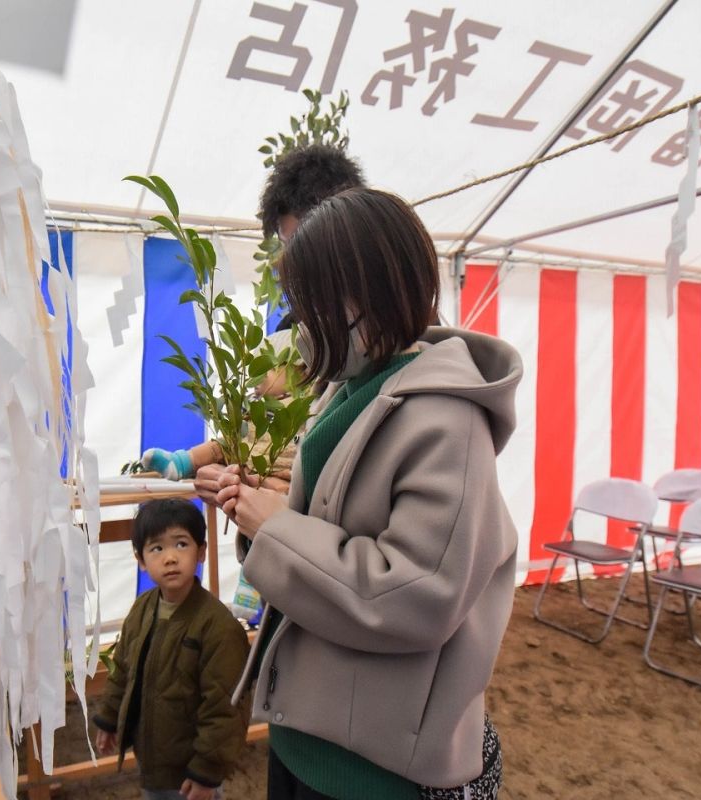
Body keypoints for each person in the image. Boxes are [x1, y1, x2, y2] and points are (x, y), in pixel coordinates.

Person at [215, 188, 521, 799]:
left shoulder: (448, 423)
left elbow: (416, 596)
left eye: (313, 303)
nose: (302, 324)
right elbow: (333, 522)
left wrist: (276, 527)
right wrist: (261, 506)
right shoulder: (354, 387)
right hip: (308, 730)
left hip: (373, 767)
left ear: (369, 295)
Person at [147, 144, 365, 493]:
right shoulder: (295, 331)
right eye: (286, 243)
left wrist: (279, 509)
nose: (294, 262)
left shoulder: (377, 357)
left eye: (300, 243)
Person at [92, 499, 250, 800]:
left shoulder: (218, 627)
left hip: (193, 769)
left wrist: (207, 771)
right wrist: (110, 719)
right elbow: (123, 670)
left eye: (181, 544)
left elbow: (225, 706)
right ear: (140, 559)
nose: (170, 558)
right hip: (153, 758)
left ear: (201, 551)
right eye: (157, 548)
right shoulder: (141, 609)